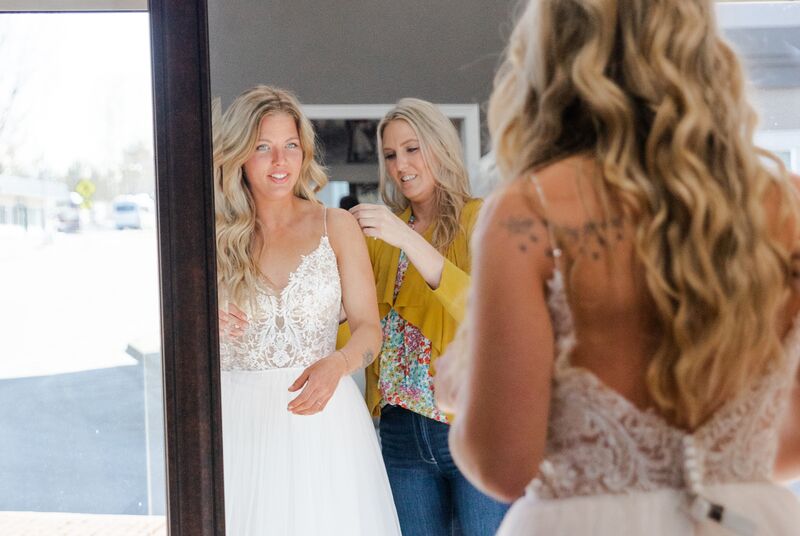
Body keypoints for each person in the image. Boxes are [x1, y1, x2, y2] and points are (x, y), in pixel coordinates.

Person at [435, 0, 800, 534]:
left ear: (552, 54)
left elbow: (504, 467)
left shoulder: (530, 212)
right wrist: (719, 461)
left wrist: (460, 391)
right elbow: (789, 446)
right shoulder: (787, 207)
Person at [213, 85, 400, 535]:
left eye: (291, 146)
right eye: (263, 147)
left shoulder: (337, 226)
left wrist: (340, 364)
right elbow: (168, 326)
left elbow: (369, 329)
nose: (280, 161)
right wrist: (201, 320)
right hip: (237, 427)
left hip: (325, 425)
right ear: (239, 154)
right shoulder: (212, 234)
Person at [348, 97, 509, 535]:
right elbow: (358, 325)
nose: (401, 165)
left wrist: (408, 238)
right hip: (400, 431)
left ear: (440, 146)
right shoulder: (381, 237)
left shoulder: (482, 219)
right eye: (390, 155)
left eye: (412, 148)